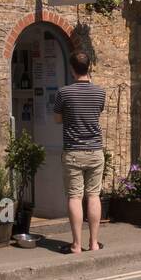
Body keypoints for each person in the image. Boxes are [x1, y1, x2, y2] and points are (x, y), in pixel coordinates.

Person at [52, 51, 106, 254]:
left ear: (72, 69)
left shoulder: (63, 93)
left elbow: (57, 120)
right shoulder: (100, 92)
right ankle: (93, 243)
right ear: (89, 67)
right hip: (95, 150)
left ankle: (76, 244)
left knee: (75, 197)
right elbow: (96, 114)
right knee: (93, 196)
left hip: (73, 150)